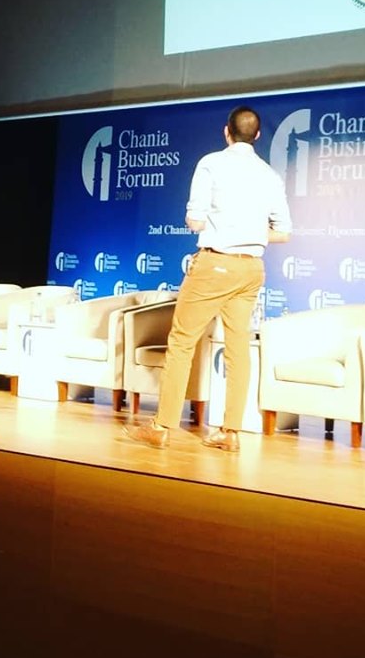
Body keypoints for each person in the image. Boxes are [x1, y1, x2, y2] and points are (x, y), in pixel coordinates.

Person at [124, 105, 291, 453]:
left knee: (182, 342)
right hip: (251, 269)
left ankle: (161, 426)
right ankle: (230, 432)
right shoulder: (270, 175)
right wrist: (249, 230)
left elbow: (195, 221)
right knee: (238, 349)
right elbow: (283, 232)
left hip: (215, 264)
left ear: (226, 132)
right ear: (258, 136)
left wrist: (222, 226)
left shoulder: (211, 164)